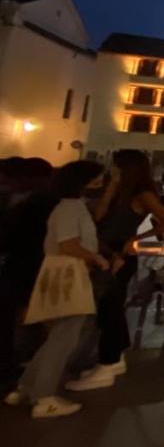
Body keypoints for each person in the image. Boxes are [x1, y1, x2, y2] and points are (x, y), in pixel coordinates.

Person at [6, 161, 110, 418]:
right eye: (97, 178)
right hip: (68, 273)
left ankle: (27, 386)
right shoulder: (70, 208)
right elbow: (68, 244)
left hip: (62, 271)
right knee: (65, 337)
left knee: (59, 335)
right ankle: (44, 397)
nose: (101, 181)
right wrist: (96, 258)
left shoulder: (68, 207)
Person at [75, 150, 164, 391]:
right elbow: (98, 218)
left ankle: (108, 361)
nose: (111, 168)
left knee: (109, 305)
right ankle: (114, 357)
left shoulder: (143, 194)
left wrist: (136, 239)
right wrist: (111, 188)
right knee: (108, 305)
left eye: (116, 165)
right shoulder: (118, 190)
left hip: (121, 254)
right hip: (105, 251)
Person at [0, 159, 56, 385]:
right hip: (21, 264)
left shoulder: (41, 203)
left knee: (24, 315)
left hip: (28, 264)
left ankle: (23, 366)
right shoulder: (22, 201)